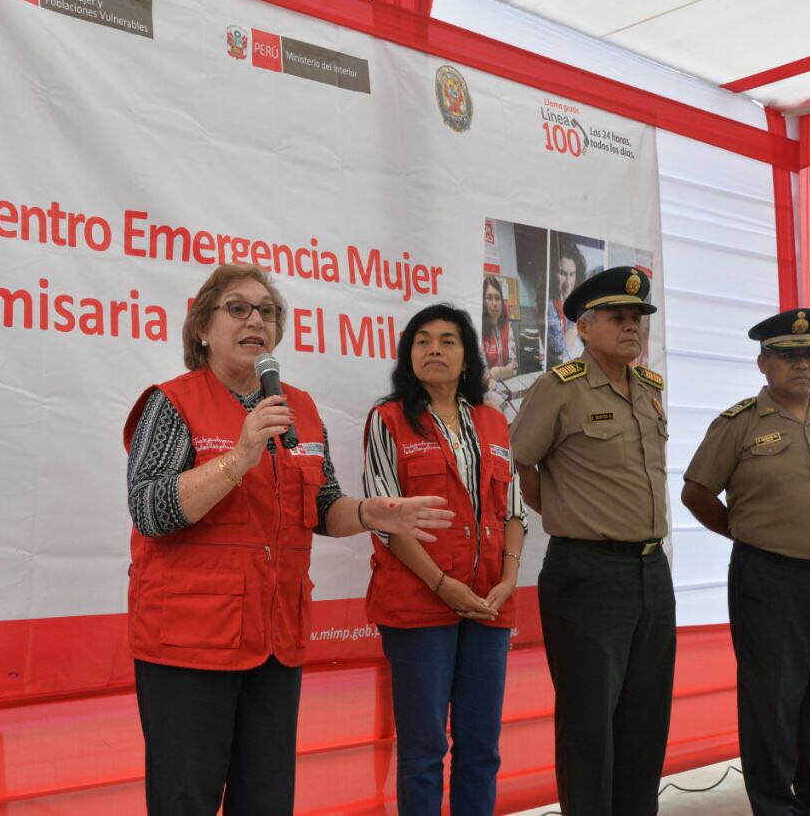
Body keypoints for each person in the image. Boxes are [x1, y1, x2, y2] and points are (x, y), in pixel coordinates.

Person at [123, 263, 454, 816]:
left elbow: (322, 509)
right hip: (189, 644)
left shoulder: (299, 407)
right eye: (238, 308)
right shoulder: (171, 401)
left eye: (268, 311)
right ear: (202, 327)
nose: (256, 319)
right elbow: (149, 510)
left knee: (268, 801)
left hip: (276, 639)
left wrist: (373, 512)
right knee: (186, 801)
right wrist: (240, 456)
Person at [681, 308, 810, 816]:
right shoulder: (738, 424)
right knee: (772, 703)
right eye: (787, 356)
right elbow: (697, 492)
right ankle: (774, 807)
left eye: (809, 354)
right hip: (770, 578)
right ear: (763, 364)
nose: (801, 364)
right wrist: (749, 534)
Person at [509, 266, 673, 815]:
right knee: (588, 725)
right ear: (585, 326)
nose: (633, 328)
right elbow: (519, 465)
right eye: (619, 318)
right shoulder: (560, 388)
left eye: (638, 319)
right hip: (588, 573)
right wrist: (564, 511)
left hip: (652, 570)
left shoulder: (648, 390)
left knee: (646, 720)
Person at [362, 303, 527, 815]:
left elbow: (515, 510)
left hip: (489, 604)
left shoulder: (494, 421)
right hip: (419, 606)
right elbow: (386, 521)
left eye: (448, 340)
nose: (434, 349)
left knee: (481, 749)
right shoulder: (387, 420)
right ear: (408, 354)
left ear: (468, 356)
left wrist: (509, 579)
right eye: (422, 340)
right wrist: (441, 584)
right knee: (423, 752)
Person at [546, 239, 584, 367]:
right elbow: (559, 351)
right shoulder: (550, 305)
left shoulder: (578, 303)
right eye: (563, 273)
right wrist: (575, 328)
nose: (568, 282)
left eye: (572, 274)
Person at [481, 276, 518, 385]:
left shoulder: (507, 325)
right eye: (489, 298)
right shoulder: (478, 328)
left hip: (508, 383)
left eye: (497, 298)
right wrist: (489, 377)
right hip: (487, 388)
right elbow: (481, 373)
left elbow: (515, 366)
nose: (494, 303)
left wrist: (498, 372)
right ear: (483, 301)